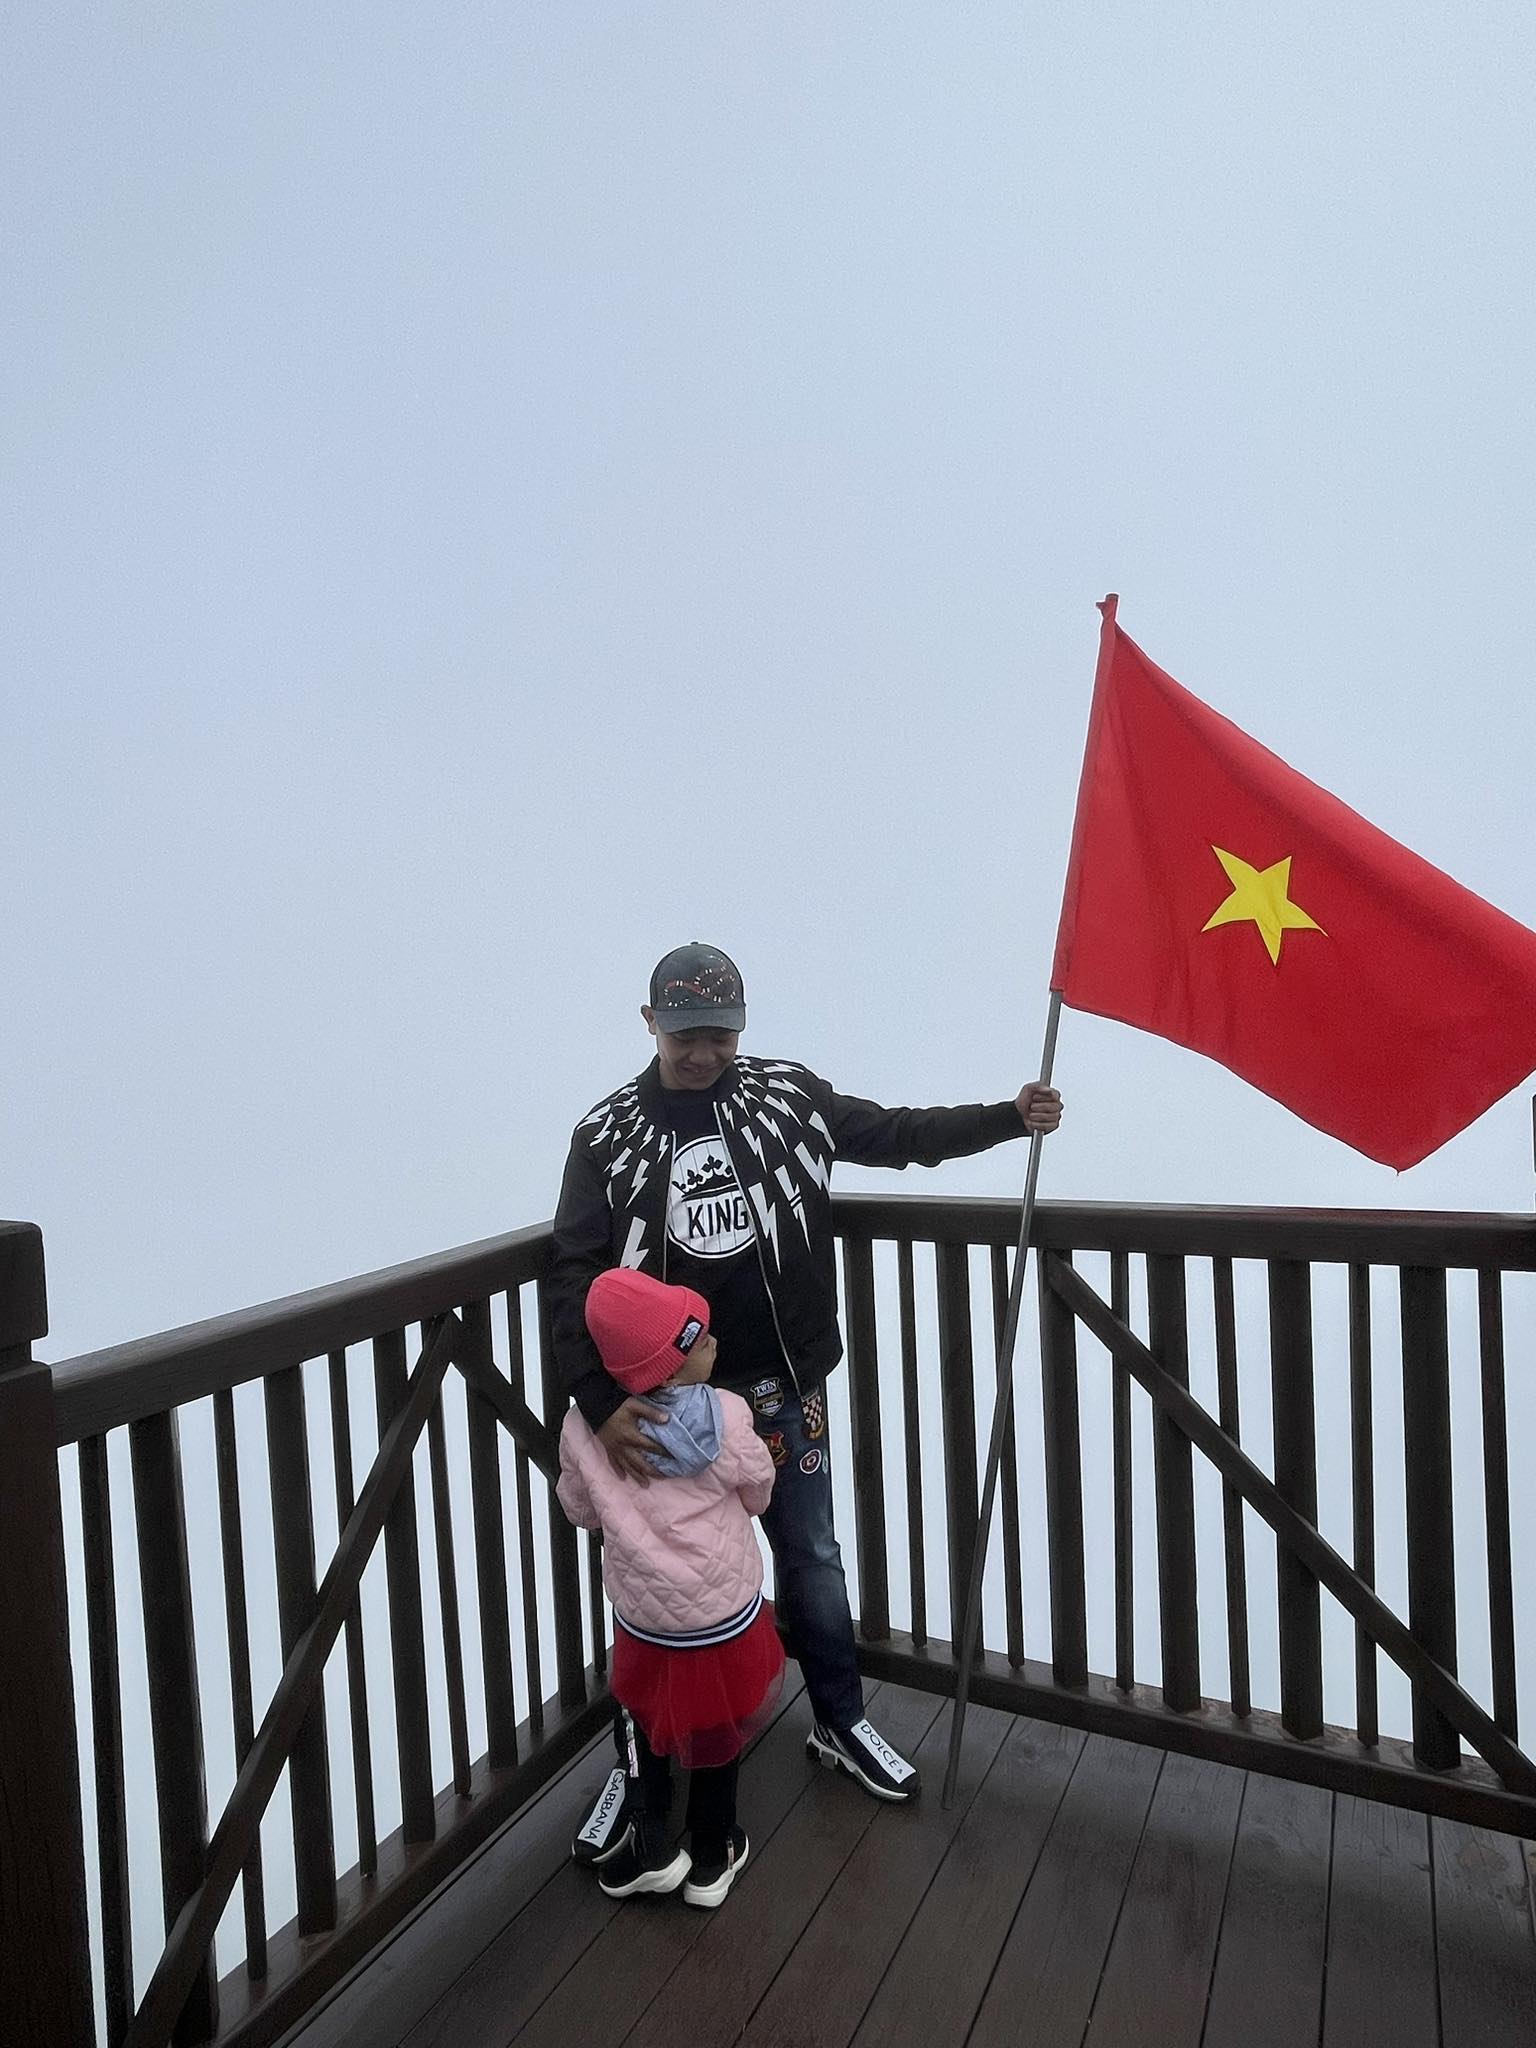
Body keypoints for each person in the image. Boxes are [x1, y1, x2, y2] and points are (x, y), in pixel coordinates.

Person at [551, 941, 1063, 1864]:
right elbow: (573, 1277)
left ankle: (839, 1720)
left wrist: (1005, 1117)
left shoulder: (789, 1099)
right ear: (648, 1024)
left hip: (783, 1395)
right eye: (683, 1036)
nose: (701, 1053)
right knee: (648, 1582)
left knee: (812, 1557)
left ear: (741, 1029)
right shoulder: (605, 1136)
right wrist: (597, 1401)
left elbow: (894, 1135)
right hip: (661, 1415)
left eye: (717, 1035)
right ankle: (641, 1763)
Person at [557, 1266, 782, 1906]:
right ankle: (712, 1854)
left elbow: (579, 1509)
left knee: (647, 1721)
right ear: (669, 1365)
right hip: (721, 1615)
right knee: (715, 1731)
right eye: (699, 1340)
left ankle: (653, 1845)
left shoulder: (586, 1431)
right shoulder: (731, 1417)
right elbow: (758, 1493)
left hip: (647, 1622)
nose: (714, 1344)